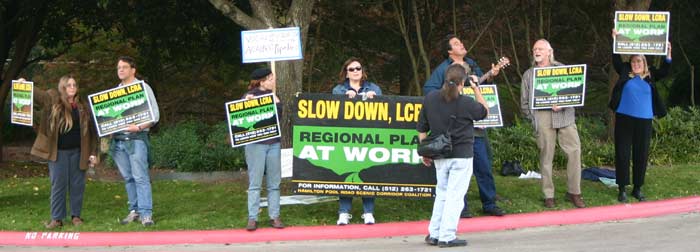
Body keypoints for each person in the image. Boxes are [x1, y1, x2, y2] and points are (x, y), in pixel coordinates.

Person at [424, 34, 505, 217]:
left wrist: (490, 76)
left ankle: (489, 203)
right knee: (458, 170)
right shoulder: (442, 69)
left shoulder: (472, 63)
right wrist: (449, 98)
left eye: (461, 42)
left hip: (475, 125)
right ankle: (462, 207)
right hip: (456, 127)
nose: (461, 45)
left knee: (483, 165)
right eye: (456, 43)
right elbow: (429, 91)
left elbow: (481, 88)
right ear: (449, 51)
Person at [418, 64, 488, 247]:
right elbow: (485, 111)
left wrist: (425, 151)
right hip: (462, 155)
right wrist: (476, 89)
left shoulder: (431, 98)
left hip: (439, 154)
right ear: (462, 82)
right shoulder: (465, 103)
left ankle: (434, 233)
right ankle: (447, 236)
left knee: (441, 193)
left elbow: (422, 128)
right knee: (455, 196)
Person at [520, 39, 585, 208]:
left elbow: (574, 92)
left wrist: (563, 103)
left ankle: (574, 192)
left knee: (574, 153)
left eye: (540, 48)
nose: (537, 51)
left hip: (565, 117)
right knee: (546, 157)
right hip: (542, 118)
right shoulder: (529, 74)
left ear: (550, 51)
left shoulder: (562, 69)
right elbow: (524, 103)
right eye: (534, 49)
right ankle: (549, 195)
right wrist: (534, 118)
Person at [609, 29, 671, 202]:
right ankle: (622, 188)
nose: (636, 63)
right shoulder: (624, 71)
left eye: (639, 61)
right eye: (634, 61)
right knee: (622, 153)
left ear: (644, 63)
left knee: (641, 153)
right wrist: (615, 40)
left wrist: (668, 55)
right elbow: (616, 59)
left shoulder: (650, 75)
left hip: (644, 120)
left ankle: (637, 188)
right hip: (624, 119)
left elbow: (665, 71)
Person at [28, 76, 98, 229]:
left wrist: (93, 153)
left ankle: (76, 216)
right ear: (62, 87)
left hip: (79, 153)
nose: (72, 87)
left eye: (74, 85)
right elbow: (39, 96)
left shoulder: (83, 106)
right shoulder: (53, 100)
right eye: (68, 85)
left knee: (77, 185)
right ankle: (57, 219)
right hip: (58, 153)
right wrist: (25, 85)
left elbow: (92, 133)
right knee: (58, 185)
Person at [331, 57, 382, 225]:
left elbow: (385, 111)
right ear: (346, 73)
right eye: (351, 69)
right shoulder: (338, 90)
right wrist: (345, 99)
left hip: (368, 137)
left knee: (367, 174)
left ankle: (368, 212)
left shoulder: (373, 88)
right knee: (346, 174)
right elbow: (332, 113)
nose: (355, 71)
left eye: (358, 68)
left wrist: (376, 99)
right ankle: (344, 212)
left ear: (362, 70)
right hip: (346, 138)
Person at [112, 56, 160, 226]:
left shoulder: (143, 88)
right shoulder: (114, 92)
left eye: (124, 67)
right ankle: (135, 211)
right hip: (118, 141)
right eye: (118, 67)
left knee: (140, 177)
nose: (121, 70)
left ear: (133, 70)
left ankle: (146, 213)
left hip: (137, 139)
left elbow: (155, 115)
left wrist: (139, 127)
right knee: (128, 178)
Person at [243, 67, 284, 231]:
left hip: (273, 143)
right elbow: (242, 121)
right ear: (262, 81)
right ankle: (252, 218)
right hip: (255, 145)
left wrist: (277, 103)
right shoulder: (248, 96)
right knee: (255, 183)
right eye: (270, 78)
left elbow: (278, 118)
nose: (273, 80)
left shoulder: (274, 96)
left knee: (274, 183)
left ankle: (274, 216)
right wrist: (246, 104)